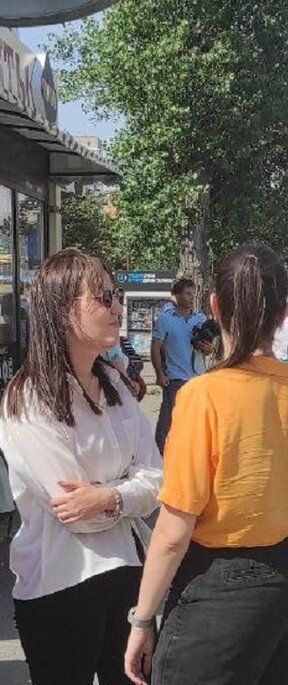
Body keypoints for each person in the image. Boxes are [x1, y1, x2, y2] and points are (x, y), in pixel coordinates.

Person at [124, 244, 288, 685]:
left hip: (222, 597)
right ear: (284, 315)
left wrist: (143, 619)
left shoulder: (203, 397)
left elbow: (173, 530)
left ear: (214, 307)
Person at [0, 248, 162, 685]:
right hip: (59, 583)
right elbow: (72, 513)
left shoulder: (115, 386)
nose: (117, 308)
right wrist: (129, 489)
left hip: (129, 573)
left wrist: (108, 495)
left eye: (117, 295)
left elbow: (159, 480)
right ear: (61, 310)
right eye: (103, 298)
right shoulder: (29, 398)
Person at [151, 278, 209, 451]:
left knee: (195, 421)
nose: (192, 297)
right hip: (175, 378)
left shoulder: (200, 319)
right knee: (169, 420)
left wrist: (206, 347)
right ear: (177, 296)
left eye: (193, 294)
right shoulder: (165, 319)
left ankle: (189, 453)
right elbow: (155, 347)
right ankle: (159, 455)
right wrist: (160, 374)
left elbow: (208, 350)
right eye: (187, 293)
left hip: (197, 378)